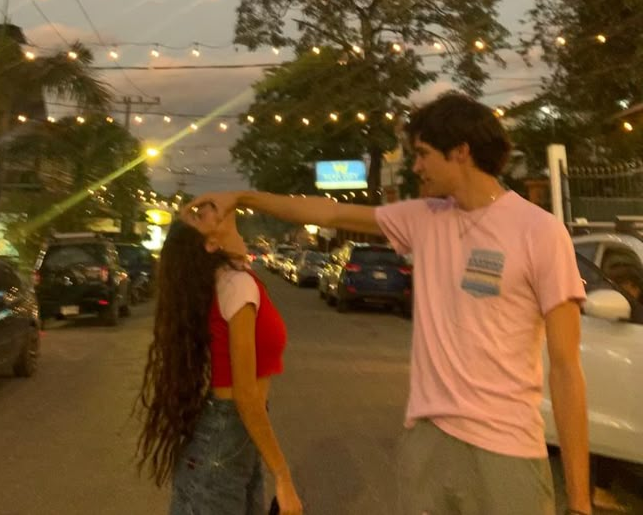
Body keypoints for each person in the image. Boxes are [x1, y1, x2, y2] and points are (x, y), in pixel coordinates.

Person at [188, 93, 591, 515]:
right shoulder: (423, 217)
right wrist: (243, 197)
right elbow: (326, 213)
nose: (415, 166)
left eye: (422, 154)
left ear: (461, 152)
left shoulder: (540, 233)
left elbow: (565, 368)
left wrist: (580, 502)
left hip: (507, 449)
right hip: (428, 442)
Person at [136, 201, 302, 515]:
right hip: (224, 438)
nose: (208, 206)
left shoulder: (234, 276)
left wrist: (237, 200)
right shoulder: (236, 284)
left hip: (229, 439)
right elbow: (245, 394)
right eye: (200, 216)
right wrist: (283, 475)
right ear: (211, 243)